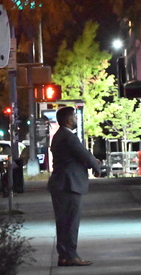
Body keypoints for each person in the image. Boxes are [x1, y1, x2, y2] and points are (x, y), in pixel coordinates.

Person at [47, 106, 101, 266]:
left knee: (63, 222)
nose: (77, 120)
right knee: (71, 221)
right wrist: (96, 167)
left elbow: (75, 156)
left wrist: (91, 162)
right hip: (69, 184)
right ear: (69, 121)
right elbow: (83, 153)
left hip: (61, 184)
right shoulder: (69, 137)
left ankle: (64, 255)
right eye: (75, 118)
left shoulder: (60, 136)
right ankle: (71, 255)